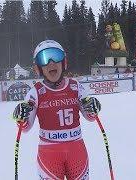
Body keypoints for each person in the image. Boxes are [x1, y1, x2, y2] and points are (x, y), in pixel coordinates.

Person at [12, 40, 101, 179]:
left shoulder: (75, 86)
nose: (51, 63)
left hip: (76, 151)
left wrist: (93, 107)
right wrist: (20, 116)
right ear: (38, 68)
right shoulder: (36, 92)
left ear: (64, 62)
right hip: (49, 154)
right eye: (44, 59)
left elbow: (90, 117)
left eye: (56, 56)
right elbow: (25, 127)